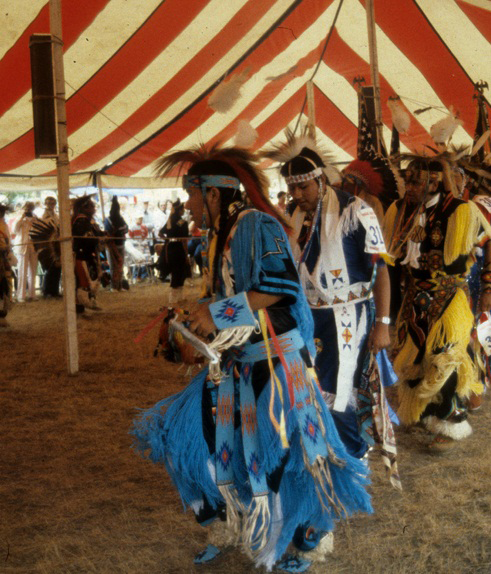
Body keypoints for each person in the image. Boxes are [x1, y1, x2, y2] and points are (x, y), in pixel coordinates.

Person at [132, 144, 372, 572]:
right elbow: (227, 295)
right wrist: (189, 324)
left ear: (213, 193)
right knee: (181, 435)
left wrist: (217, 314)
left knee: (285, 457)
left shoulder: (254, 225)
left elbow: (281, 291)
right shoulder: (221, 234)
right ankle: (224, 522)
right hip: (238, 363)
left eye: (192, 194)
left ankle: (307, 538)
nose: (188, 203)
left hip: (276, 364)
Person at [262, 132, 395, 469]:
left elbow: (381, 271)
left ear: (320, 180)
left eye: (302, 187)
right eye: (291, 188)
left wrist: (383, 323)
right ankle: (323, 453)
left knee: (340, 389)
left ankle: (352, 460)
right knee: (310, 386)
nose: (295, 195)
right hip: (307, 317)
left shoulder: (357, 211)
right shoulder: (294, 216)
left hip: (347, 316)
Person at [384, 157, 491, 450]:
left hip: (448, 297)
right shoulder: (400, 210)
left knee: (445, 357)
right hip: (414, 296)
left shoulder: (460, 211)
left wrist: (488, 286)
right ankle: (426, 412)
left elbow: (487, 242)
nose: (409, 187)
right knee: (413, 358)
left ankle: (452, 420)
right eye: (407, 180)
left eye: (416, 181)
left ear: (434, 182)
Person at [72, 195, 105, 314]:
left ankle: (87, 302)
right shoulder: (81, 221)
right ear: (85, 208)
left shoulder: (87, 220)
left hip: (88, 254)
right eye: (92, 206)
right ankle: (80, 305)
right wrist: (98, 238)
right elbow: (86, 238)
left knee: (91, 277)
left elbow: (93, 233)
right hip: (82, 255)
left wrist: (102, 234)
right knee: (84, 280)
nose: (94, 208)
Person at [157, 199, 189, 302]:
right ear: (180, 210)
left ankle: (175, 297)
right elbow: (184, 241)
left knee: (175, 271)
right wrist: (186, 254)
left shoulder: (169, 221)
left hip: (169, 248)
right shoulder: (183, 222)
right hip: (179, 248)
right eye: (182, 209)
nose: (183, 210)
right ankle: (176, 298)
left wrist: (167, 240)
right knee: (179, 271)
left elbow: (160, 233)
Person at [14, 201, 39, 302]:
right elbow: (15, 230)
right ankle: (21, 295)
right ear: (23, 208)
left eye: (30, 207)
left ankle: (32, 294)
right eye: (26, 207)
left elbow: (39, 231)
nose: (28, 209)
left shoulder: (36, 218)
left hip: (33, 246)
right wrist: (21, 218)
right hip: (22, 246)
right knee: (22, 271)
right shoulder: (19, 218)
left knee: (33, 271)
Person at [104, 196, 128, 291]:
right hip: (112, 245)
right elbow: (108, 232)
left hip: (121, 244)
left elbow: (126, 228)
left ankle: (120, 285)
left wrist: (118, 230)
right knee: (113, 266)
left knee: (120, 265)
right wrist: (119, 230)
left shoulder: (120, 219)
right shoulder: (108, 220)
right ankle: (114, 285)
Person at [39, 196, 61, 298]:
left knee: (57, 267)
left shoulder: (56, 215)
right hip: (48, 245)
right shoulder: (44, 216)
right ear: (45, 204)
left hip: (56, 243)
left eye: (53, 203)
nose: (51, 205)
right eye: (49, 203)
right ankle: (47, 291)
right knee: (50, 267)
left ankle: (54, 291)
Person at [0, 202, 14, 325]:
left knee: (5, 284)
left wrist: (8, 250)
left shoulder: (4, 224)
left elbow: (6, 242)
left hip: (3, 259)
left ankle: (2, 314)